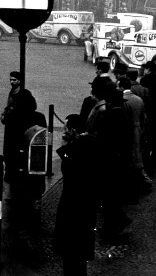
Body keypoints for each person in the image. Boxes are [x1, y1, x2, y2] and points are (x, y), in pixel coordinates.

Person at [86, 75, 133, 238]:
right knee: (109, 197)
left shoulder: (104, 110)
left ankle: (116, 225)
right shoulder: (114, 108)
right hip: (113, 159)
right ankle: (113, 224)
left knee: (108, 196)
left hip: (107, 160)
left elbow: (102, 136)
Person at [53, 114, 99, 276]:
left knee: (72, 256)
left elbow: (71, 172)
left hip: (74, 208)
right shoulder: (89, 143)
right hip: (85, 207)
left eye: (65, 128)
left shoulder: (78, 147)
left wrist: (65, 147)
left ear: (73, 130)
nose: (63, 131)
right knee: (78, 256)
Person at [0, 71, 38, 197]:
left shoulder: (24, 94)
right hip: (11, 129)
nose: (12, 82)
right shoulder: (12, 92)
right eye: (11, 79)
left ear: (20, 81)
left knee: (14, 154)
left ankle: (14, 182)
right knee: (9, 154)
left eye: (14, 80)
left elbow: (30, 108)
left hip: (17, 130)